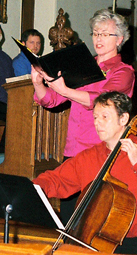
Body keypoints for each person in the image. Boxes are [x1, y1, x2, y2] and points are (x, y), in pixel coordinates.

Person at [31, 8, 135, 225]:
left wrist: (65, 90)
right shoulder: (82, 63)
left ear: (120, 39)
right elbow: (52, 100)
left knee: (97, 219)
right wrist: (38, 82)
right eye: (96, 33)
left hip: (101, 152)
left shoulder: (123, 71)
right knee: (71, 217)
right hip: (75, 150)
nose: (99, 38)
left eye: (106, 34)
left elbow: (102, 99)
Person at [33, 91, 137, 254]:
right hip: (94, 241)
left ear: (123, 119)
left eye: (104, 117)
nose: (97, 123)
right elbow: (56, 179)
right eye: (95, 117)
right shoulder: (89, 156)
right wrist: (32, 189)